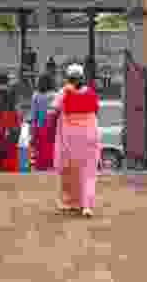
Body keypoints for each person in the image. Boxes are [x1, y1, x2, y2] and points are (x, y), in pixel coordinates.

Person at [52, 63, 100, 218]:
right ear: (82, 78)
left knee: (70, 170)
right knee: (88, 172)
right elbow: (95, 111)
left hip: (70, 139)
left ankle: (71, 202)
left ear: (68, 79)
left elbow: (53, 109)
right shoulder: (91, 93)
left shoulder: (64, 92)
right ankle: (87, 206)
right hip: (90, 137)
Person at [30, 72, 59, 171]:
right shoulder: (55, 95)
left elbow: (34, 115)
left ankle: (40, 168)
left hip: (39, 126)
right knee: (51, 149)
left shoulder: (36, 95)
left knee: (40, 151)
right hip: (53, 127)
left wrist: (32, 130)